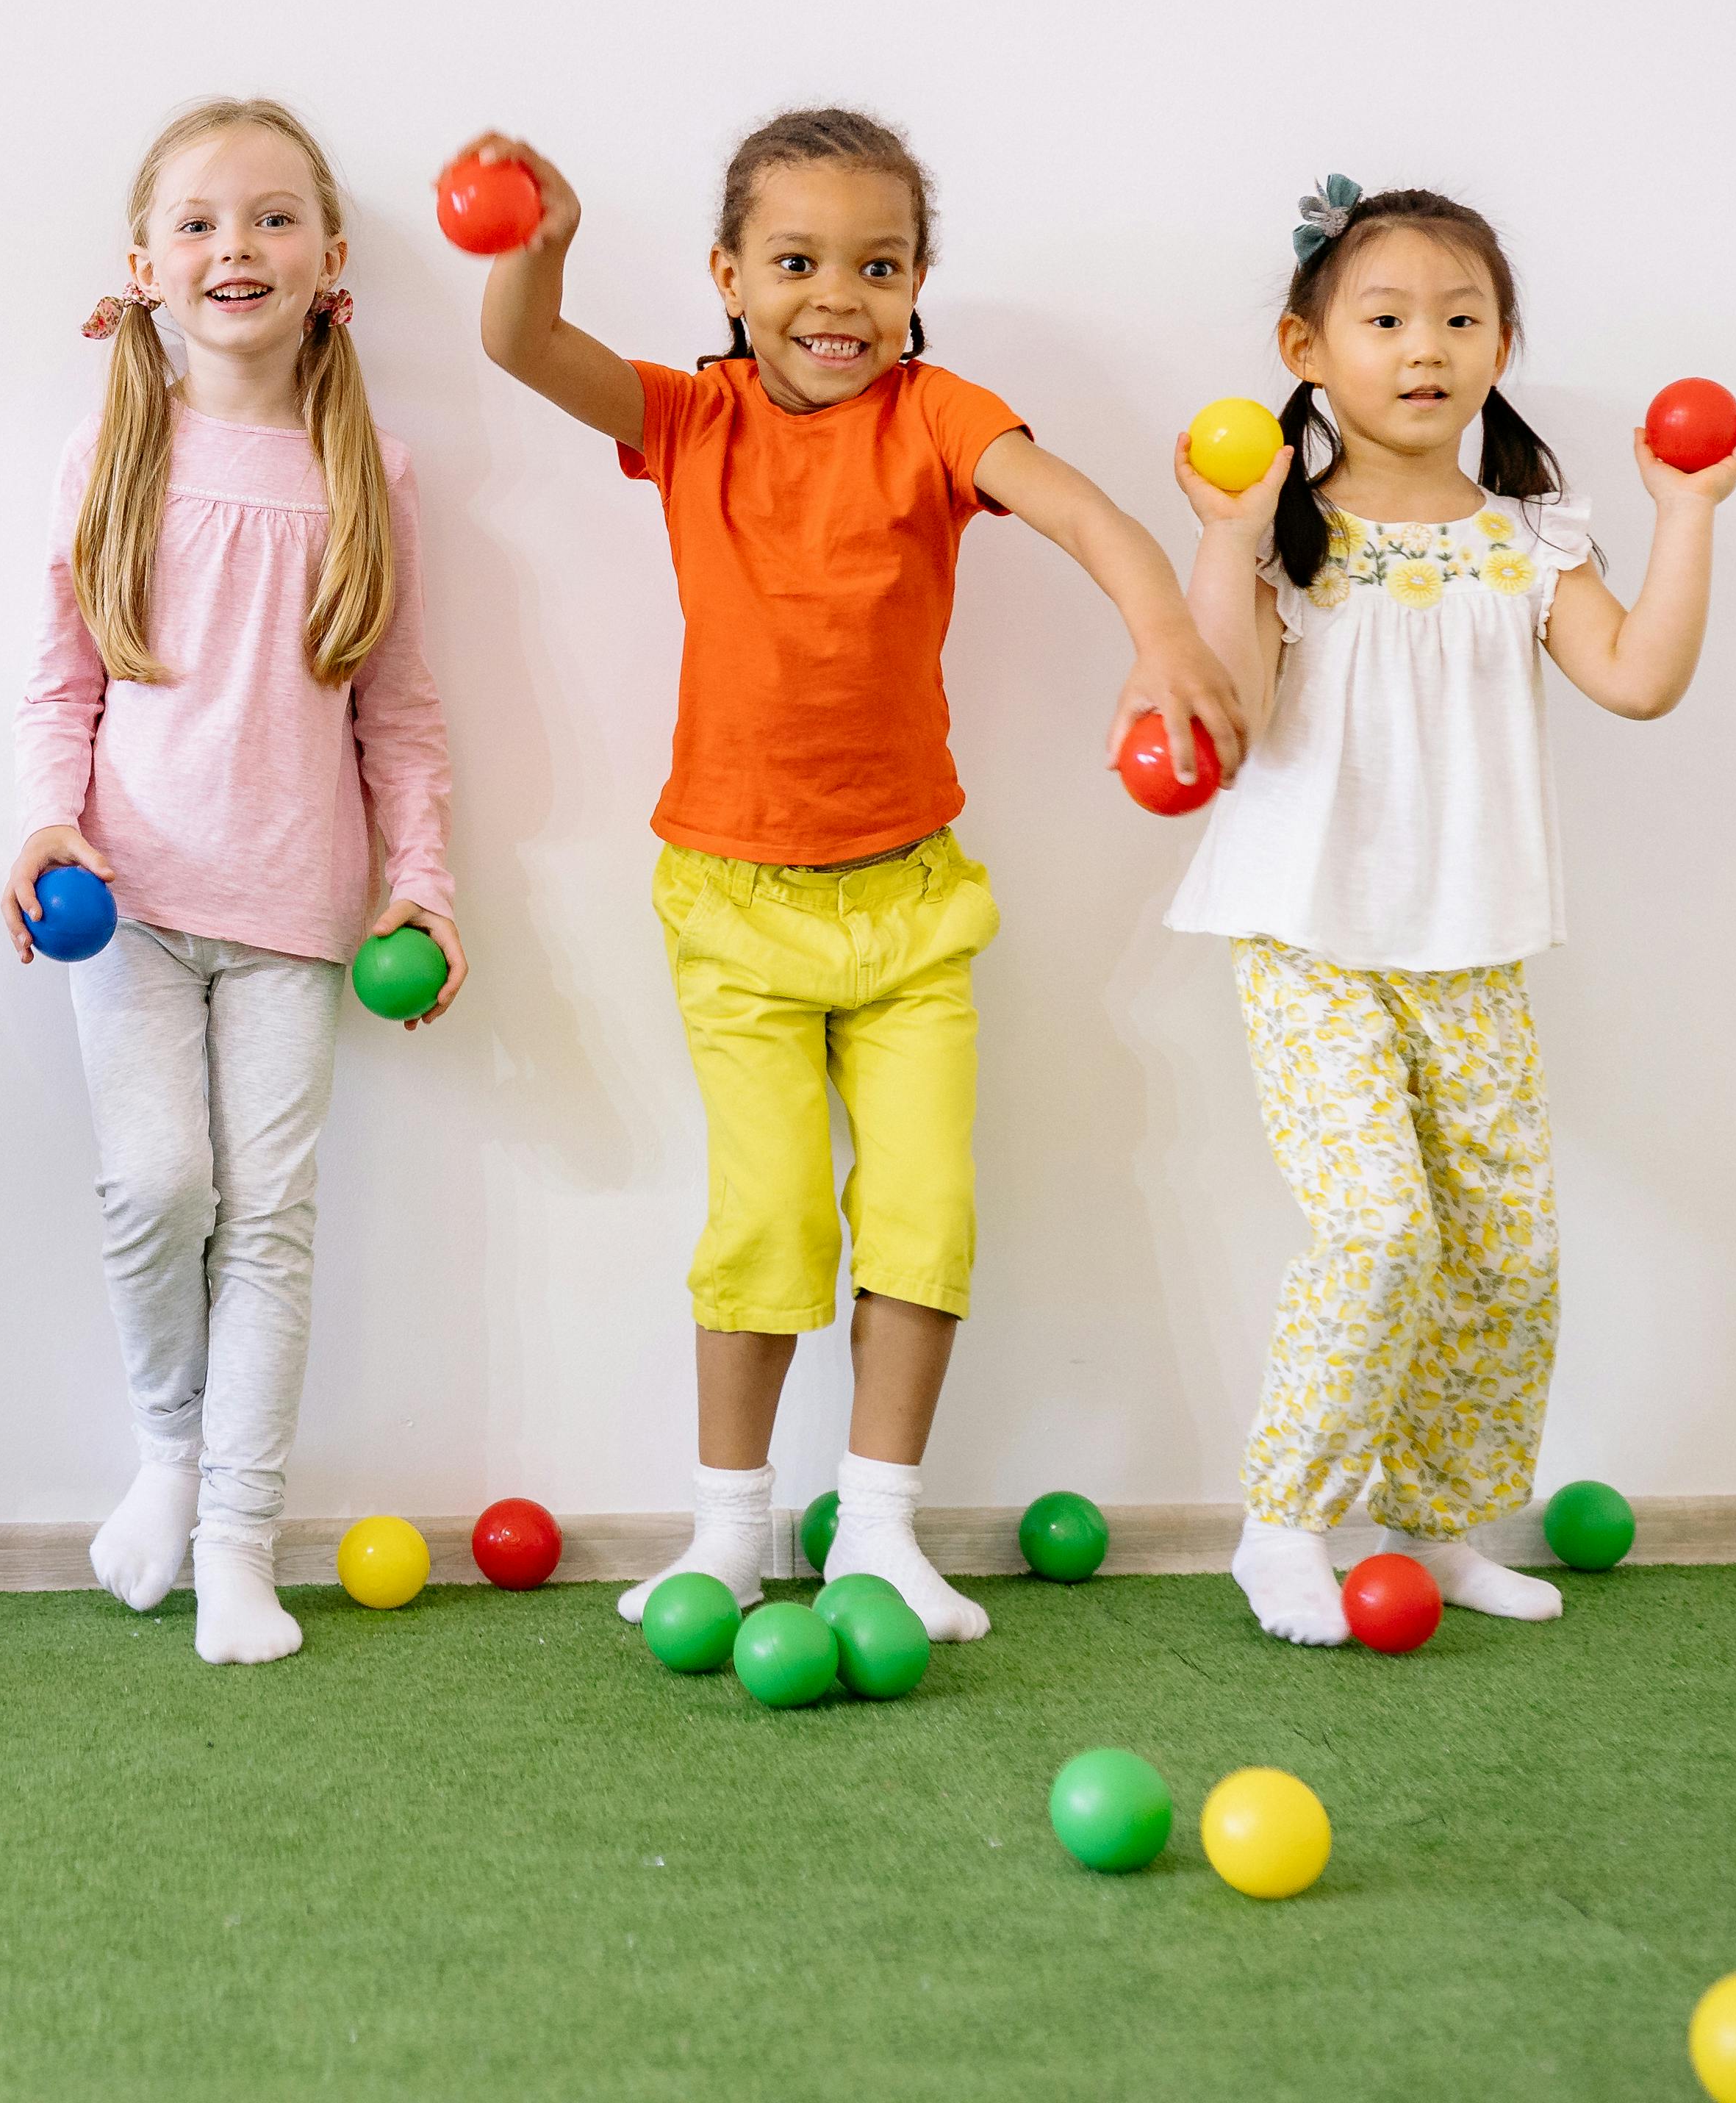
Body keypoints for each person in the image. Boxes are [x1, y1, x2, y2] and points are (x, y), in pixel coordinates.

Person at [469, 110, 1246, 1642]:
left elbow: (1083, 506)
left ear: (919, 280)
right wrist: (534, 250)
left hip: (909, 904)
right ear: (730, 276)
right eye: (800, 260)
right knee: (765, 1220)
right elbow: (522, 348)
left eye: (879, 264)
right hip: (733, 903)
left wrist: (1164, 634)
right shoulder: (690, 419)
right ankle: (729, 1532)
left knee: (925, 1210)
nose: (842, 294)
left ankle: (881, 1526)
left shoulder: (939, 414)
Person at [1164, 180, 1736, 1643]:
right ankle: (1284, 1519)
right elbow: (1225, 705)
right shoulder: (1293, 534)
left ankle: (1431, 1522)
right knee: (1375, 1233)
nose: (1425, 345)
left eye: (1460, 317)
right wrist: (1227, 535)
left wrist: (1685, 512)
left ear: (1502, 342)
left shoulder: (1529, 539)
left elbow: (1639, 674)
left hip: (1470, 946)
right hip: (1309, 942)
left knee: (1504, 1253)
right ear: (1307, 346)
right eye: (1385, 318)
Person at [7, 99, 457, 1666]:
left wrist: (426, 887)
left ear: (331, 261)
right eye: (198, 222)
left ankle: (236, 1544)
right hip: (123, 898)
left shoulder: (370, 469)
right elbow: (60, 686)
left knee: (270, 1216)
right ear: (143, 267)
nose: (234, 247)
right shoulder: (111, 449)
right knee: (158, 1186)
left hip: (295, 912)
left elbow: (396, 713)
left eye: (272, 218)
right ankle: (171, 1456)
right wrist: (44, 828)